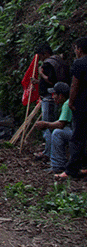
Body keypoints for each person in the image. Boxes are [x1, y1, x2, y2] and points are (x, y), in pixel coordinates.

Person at [56, 37, 87, 180]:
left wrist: (71, 101)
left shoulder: (79, 63)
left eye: (75, 48)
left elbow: (75, 85)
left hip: (82, 104)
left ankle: (71, 170)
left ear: (79, 49)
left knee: (77, 138)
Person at [34, 82, 72, 172]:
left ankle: (57, 165)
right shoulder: (69, 101)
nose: (53, 96)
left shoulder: (67, 104)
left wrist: (45, 124)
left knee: (57, 133)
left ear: (61, 95)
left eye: (54, 94)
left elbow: (60, 124)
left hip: (78, 133)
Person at [32, 44, 70, 125]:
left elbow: (50, 80)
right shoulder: (57, 60)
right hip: (54, 95)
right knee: (52, 119)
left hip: (50, 96)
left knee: (48, 121)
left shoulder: (48, 64)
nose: (40, 59)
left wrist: (41, 74)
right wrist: (38, 81)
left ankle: (49, 136)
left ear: (45, 54)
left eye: (41, 56)